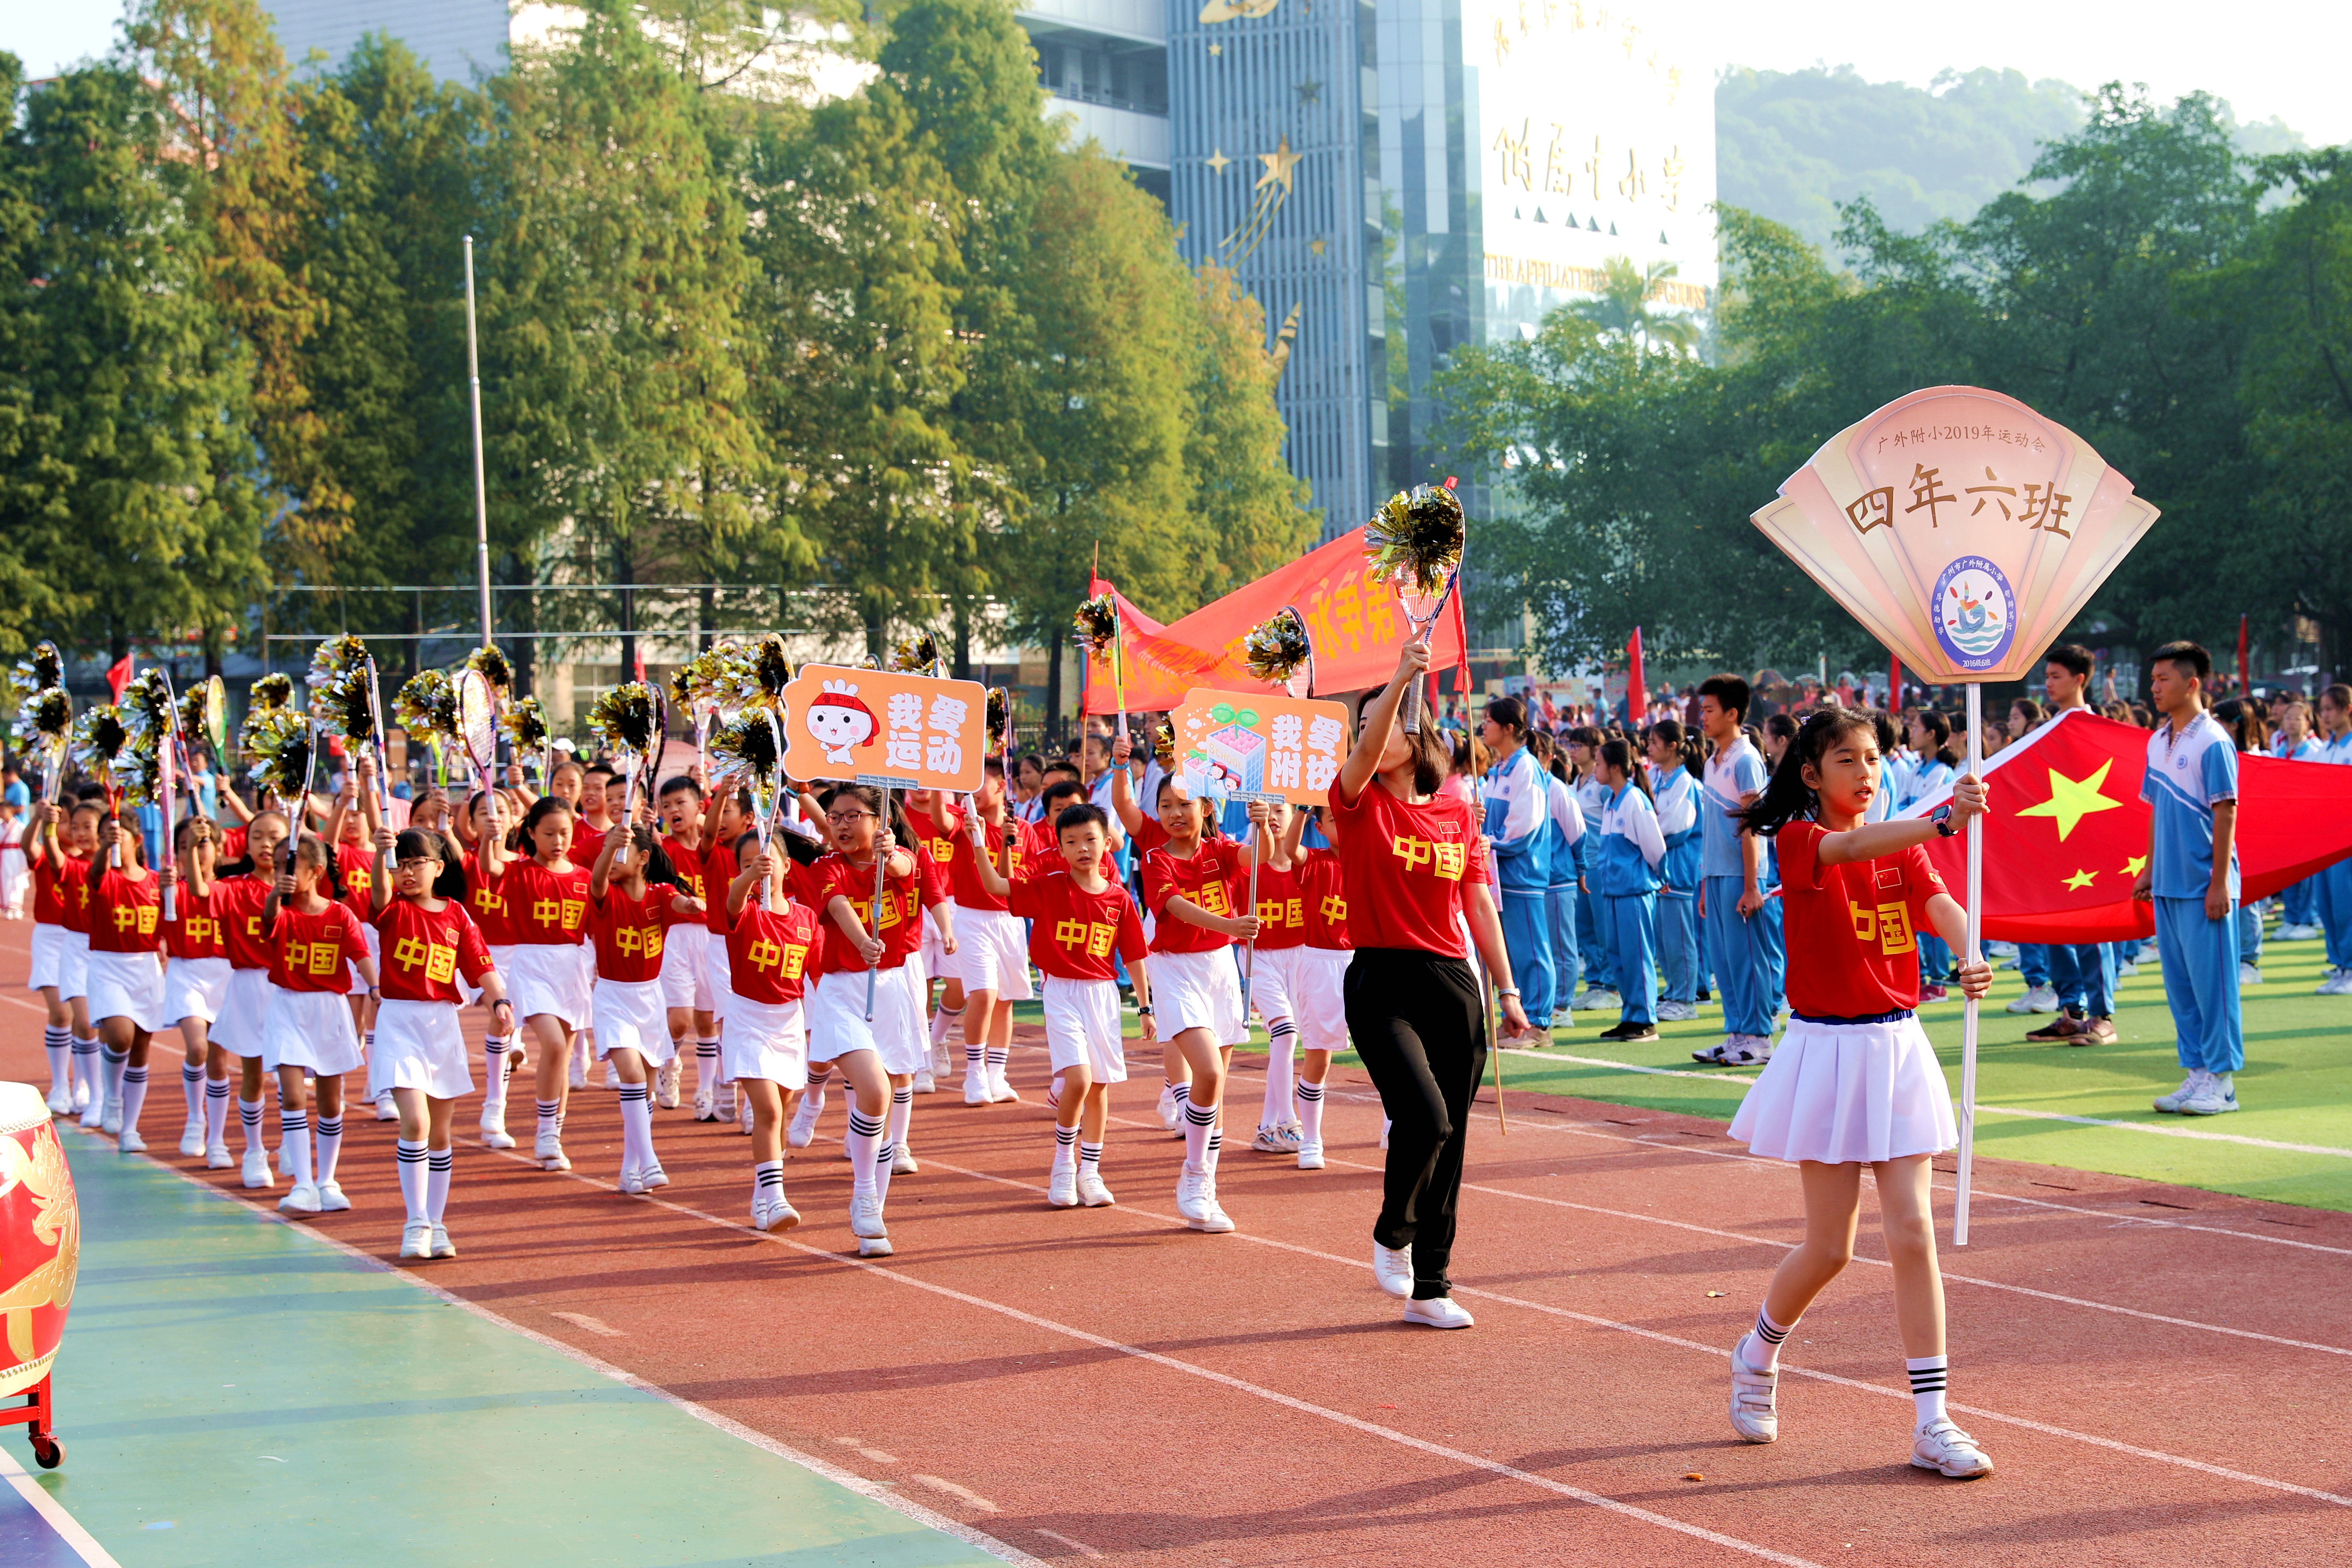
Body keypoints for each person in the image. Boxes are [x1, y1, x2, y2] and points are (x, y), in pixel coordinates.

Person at [1723, 708, 1995, 1480]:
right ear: (1811, 774)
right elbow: (1854, 845)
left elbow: (1938, 904)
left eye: (1874, 757)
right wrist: (1939, 820)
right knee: (1831, 1246)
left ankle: (1932, 1421)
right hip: (1827, 1050)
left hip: (1897, 1043)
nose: (1866, 770)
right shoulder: (1803, 840)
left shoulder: (1905, 844)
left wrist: (1967, 950)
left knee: (1913, 1230)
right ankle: (1757, 1349)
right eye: (1847, 758)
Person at [1334, 638, 1526, 1327]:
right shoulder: (1355, 801)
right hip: (1380, 979)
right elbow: (1364, 749)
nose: (1370, 733)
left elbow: (1479, 904)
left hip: (1453, 982)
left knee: (1454, 1138)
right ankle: (1394, 1231)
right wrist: (1400, 676)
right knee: (1425, 1116)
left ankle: (1433, 1284)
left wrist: (1506, 990)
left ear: (1417, 742)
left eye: (1383, 723)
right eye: (1364, 725)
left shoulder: (1455, 814)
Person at [792, 785, 951, 1257]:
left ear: (879, 820)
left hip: (897, 985)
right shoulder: (825, 867)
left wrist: (893, 856)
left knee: (895, 1085)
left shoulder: (901, 857)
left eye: (851, 816)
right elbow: (838, 906)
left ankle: (873, 1212)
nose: (840, 825)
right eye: (834, 817)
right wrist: (862, 940)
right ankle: (863, 1192)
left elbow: (910, 870)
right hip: (843, 987)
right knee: (874, 1090)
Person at [969, 800, 1149, 1207]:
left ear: (1107, 842)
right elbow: (997, 886)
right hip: (1062, 990)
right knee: (1079, 1079)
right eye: (1072, 841)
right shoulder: (1050, 887)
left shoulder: (1119, 900)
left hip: (1102, 994)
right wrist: (978, 840)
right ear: (1061, 847)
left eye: (1090, 838)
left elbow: (1135, 955)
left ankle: (1091, 1172)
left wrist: (1144, 1006)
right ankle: (1063, 1165)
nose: (1083, 847)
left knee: (1099, 1086)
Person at [370, 824, 510, 1257]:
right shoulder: (393, 911)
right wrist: (381, 855)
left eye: (418, 863)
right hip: (399, 1022)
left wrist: (500, 1001)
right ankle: (415, 1221)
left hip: (441, 1026)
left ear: (439, 865)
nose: (408, 873)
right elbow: (378, 893)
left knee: (441, 1133)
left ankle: (436, 1221)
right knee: (415, 1122)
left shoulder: (456, 914)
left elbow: (480, 963)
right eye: (402, 865)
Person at [1136, 770, 1259, 1233]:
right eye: (1165, 805)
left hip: (1219, 969)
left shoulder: (1221, 849)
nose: (1173, 814)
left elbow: (1260, 856)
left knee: (1217, 1086)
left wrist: (1264, 824)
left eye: (1184, 805)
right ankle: (1192, 1172)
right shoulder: (1154, 858)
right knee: (1207, 1072)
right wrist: (1230, 926)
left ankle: (1208, 1187)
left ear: (1206, 808)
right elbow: (1170, 905)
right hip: (1174, 969)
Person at [2136, 642, 2243, 1116]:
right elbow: (2157, 810)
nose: (2154, 687)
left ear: (2191, 683)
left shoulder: (2213, 740)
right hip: (2166, 883)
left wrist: (2219, 882)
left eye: (2163, 679)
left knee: (2212, 987)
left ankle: (2221, 1083)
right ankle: (2196, 1073)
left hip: (2205, 885)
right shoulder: (2156, 741)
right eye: (2153, 679)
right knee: (2180, 988)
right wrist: (2147, 867)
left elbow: (2226, 813)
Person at [263, 834, 379, 1215]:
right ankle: (302, 1184)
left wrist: (376, 986)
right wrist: (273, 897)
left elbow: (360, 954)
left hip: (330, 1009)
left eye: (290, 865)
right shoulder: (282, 911)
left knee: (331, 1102)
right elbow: (268, 923)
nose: (282, 872)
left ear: (314, 872)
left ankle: (327, 1179)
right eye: (279, 865)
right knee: (293, 1095)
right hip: (288, 1007)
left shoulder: (339, 914)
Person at [477, 794, 593, 1170]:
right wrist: (489, 837)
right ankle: (545, 1132)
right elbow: (491, 866)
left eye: (564, 833)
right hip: (533, 965)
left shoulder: (583, 877)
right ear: (531, 833)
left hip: (572, 969)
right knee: (555, 1046)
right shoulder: (521, 871)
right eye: (548, 833)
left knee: (559, 1058)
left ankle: (553, 1139)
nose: (557, 840)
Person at [722, 831, 825, 1232]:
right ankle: (777, 1197)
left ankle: (763, 1196)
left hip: (788, 1021)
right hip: (749, 1018)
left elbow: (820, 973)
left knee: (780, 1116)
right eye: (748, 863)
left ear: (786, 866)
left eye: (767, 861)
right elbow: (733, 900)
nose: (761, 868)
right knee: (766, 1110)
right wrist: (749, 878)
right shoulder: (745, 911)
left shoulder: (805, 919)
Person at [585, 819, 689, 1194]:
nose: (610, 860)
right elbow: (597, 881)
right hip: (613, 997)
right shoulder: (605, 895)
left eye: (619, 853)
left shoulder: (659, 893)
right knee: (630, 1075)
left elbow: (677, 901)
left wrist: (691, 903)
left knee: (643, 1091)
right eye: (606, 853)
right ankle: (649, 1160)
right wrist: (609, 847)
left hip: (650, 997)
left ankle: (630, 1167)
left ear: (643, 857)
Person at [1693, 676, 1776, 1066]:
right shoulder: (1712, 762)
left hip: (1743, 876)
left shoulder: (1746, 760)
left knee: (1748, 959)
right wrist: (1706, 882)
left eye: (1709, 710)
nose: (1702, 717)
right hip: (1716, 874)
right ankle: (1737, 1033)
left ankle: (1759, 1038)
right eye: (1702, 709)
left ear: (1733, 714)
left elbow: (1752, 827)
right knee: (1724, 962)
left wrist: (1751, 885)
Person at [209, 811, 290, 1186]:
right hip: (248, 987)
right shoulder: (235, 886)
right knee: (255, 1074)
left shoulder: (301, 891)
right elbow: (200, 890)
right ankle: (255, 1151)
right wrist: (198, 852)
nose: (265, 844)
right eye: (257, 836)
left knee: (292, 1073)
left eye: (274, 836)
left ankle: (291, 1141)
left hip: (290, 987)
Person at [85, 813, 167, 1154]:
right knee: (120, 1036)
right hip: (109, 965)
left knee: (142, 1047)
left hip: (146, 966)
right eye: (106, 835)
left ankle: (130, 1127)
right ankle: (110, 1099)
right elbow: (95, 875)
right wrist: (106, 845)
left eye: (119, 835)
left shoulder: (155, 881)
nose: (114, 839)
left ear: (136, 840)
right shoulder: (105, 878)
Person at [1477, 697, 1555, 1043]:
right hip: (1500, 872)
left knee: (1531, 949)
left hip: (1522, 871)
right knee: (1510, 951)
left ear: (1509, 728)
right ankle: (1517, 1020)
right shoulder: (1500, 769)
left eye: (1489, 720)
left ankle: (1538, 1021)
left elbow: (1525, 825)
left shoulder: (1526, 768)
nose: (1483, 726)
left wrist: (1492, 841)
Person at [159, 818, 232, 1159]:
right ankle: (194, 1118)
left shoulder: (231, 889)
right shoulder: (169, 890)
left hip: (225, 975)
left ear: (218, 850)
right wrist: (162, 893)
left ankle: (217, 1138)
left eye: (203, 844)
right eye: (186, 846)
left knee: (219, 1062)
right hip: (187, 971)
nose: (195, 852)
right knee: (198, 1048)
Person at [1589, 739, 1665, 1043]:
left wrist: (1661, 875)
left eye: (1599, 763)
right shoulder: (1611, 800)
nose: (1595, 769)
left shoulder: (1634, 799)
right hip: (1613, 891)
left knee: (1637, 955)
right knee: (1618, 955)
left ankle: (1646, 1019)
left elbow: (1655, 847)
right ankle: (1630, 1014)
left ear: (1616, 767)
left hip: (1634, 891)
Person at [23, 800, 92, 1115]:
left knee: (85, 1020)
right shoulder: (52, 859)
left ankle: (83, 1083)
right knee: (61, 1014)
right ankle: (59, 1084)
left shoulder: (98, 864)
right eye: (68, 824)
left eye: (81, 825)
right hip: (51, 938)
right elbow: (30, 846)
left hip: (81, 939)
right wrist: (40, 819)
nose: (74, 831)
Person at [656, 775, 720, 1111]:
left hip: (712, 937)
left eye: (681, 802)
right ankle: (671, 1062)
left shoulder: (717, 848)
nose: (673, 810)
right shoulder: (663, 849)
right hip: (676, 937)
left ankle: (707, 1089)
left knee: (708, 1019)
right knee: (680, 1018)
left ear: (700, 806)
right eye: (666, 806)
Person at [1645, 719, 1704, 1024]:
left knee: (1680, 939)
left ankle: (1686, 998)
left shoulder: (1685, 782)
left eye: (1655, 742)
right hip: (1660, 869)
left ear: (1672, 746)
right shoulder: (1656, 775)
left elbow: (1673, 827)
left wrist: (1647, 830)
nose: (1649, 748)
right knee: (1665, 939)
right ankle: (1673, 992)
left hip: (1679, 871)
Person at [1527, 732, 1585, 1027]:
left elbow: (1577, 834)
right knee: (1541, 946)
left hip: (1559, 878)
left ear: (1549, 758)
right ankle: (1543, 1001)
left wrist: (1581, 869)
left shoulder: (1557, 789)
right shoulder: (1526, 787)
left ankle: (1563, 1005)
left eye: (1536, 753)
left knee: (1562, 946)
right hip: (1533, 880)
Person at [2270, 699, 2324, 940]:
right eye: (2288, 717)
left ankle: (2308, 919)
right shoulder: (2277, 743)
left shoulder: (2316, 750)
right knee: (2286, 870)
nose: (2291, 722)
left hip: (2307, 818)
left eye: (2297, 718)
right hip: (2283, 817)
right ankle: (2291, 918)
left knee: (2307, 872)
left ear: (2308, 722)